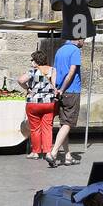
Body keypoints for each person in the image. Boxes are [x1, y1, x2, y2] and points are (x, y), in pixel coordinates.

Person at [47, 36, 85, 168]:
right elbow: (71, 72)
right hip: (71, 90)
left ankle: (67, 156)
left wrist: (55, 88)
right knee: (68, 123)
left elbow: (54, 71)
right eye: (83, 39)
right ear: (78, 39)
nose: (84, 42)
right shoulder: (75, 51)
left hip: (60, 91)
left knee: (64, 124)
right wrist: (62, 89)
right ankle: (53, 152)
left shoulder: (60, 50)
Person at [18, 50, 58, 158]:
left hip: (34, 102)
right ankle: (48, 152)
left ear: (36, 61)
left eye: (32, 60)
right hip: (49, 102)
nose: (31, 62)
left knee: (35, 128)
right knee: (47, 128)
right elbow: (54, 86)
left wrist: (28, 89)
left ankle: (35, 152)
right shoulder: (52, 70)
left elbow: (20, 80)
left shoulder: (32, 71)